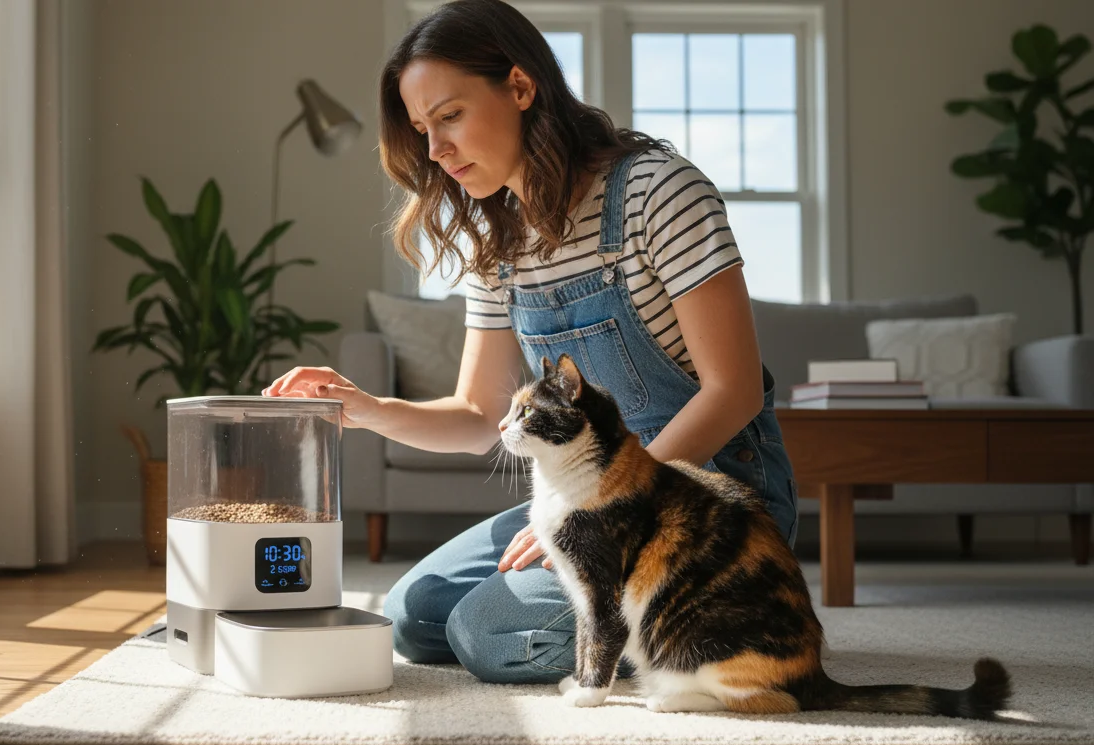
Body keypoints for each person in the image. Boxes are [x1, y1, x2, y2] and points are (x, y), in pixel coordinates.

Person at [262, 0, 798, 685]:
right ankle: (634, 626)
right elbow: (479, 416)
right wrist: (361, 406)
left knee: (485, 635)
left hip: (706, 508)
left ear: (520, 88)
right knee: (411, 615)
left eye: (449, 116)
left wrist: (597, 510)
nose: (434, 151)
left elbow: (735, 391)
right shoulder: (501, 243)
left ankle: (701, 629)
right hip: (587, 496)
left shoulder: (659, 192)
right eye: (423, 129)